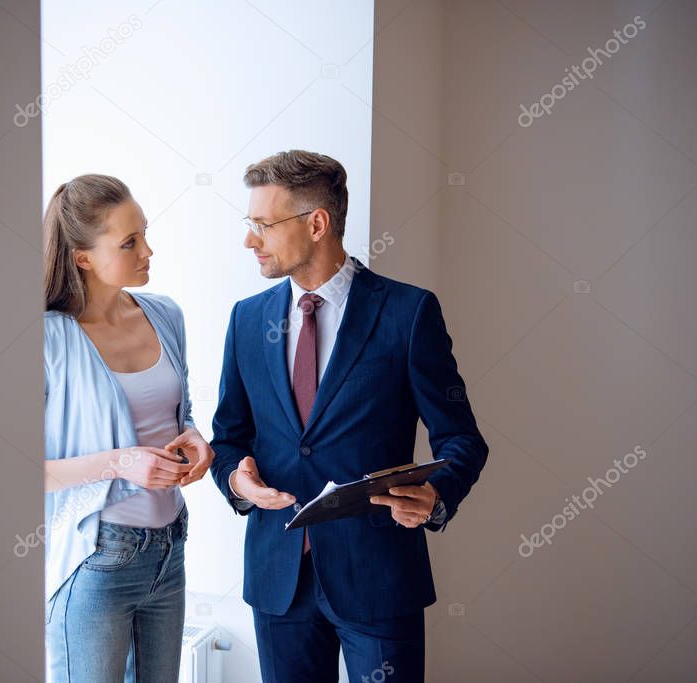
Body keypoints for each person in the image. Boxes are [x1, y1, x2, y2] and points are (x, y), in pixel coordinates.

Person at [209, 150, 489, 682]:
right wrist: (239, 483)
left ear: (317, 223)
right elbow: (228, 439)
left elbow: (462, 441)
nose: (251, 240)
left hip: (379, 578)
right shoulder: (247, 320)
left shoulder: (408, 313)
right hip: (277, 580)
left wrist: (436, 498)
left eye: (263, 225)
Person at [42, 174, 214, 683]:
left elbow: (176, 415)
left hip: (169, 550)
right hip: (97, 559)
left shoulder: (165, 315)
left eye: (144, 234)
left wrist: (196, 439)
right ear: (83, 257)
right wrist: (121, 461)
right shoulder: (47, 338)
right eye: (129, 242)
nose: (148, 250)